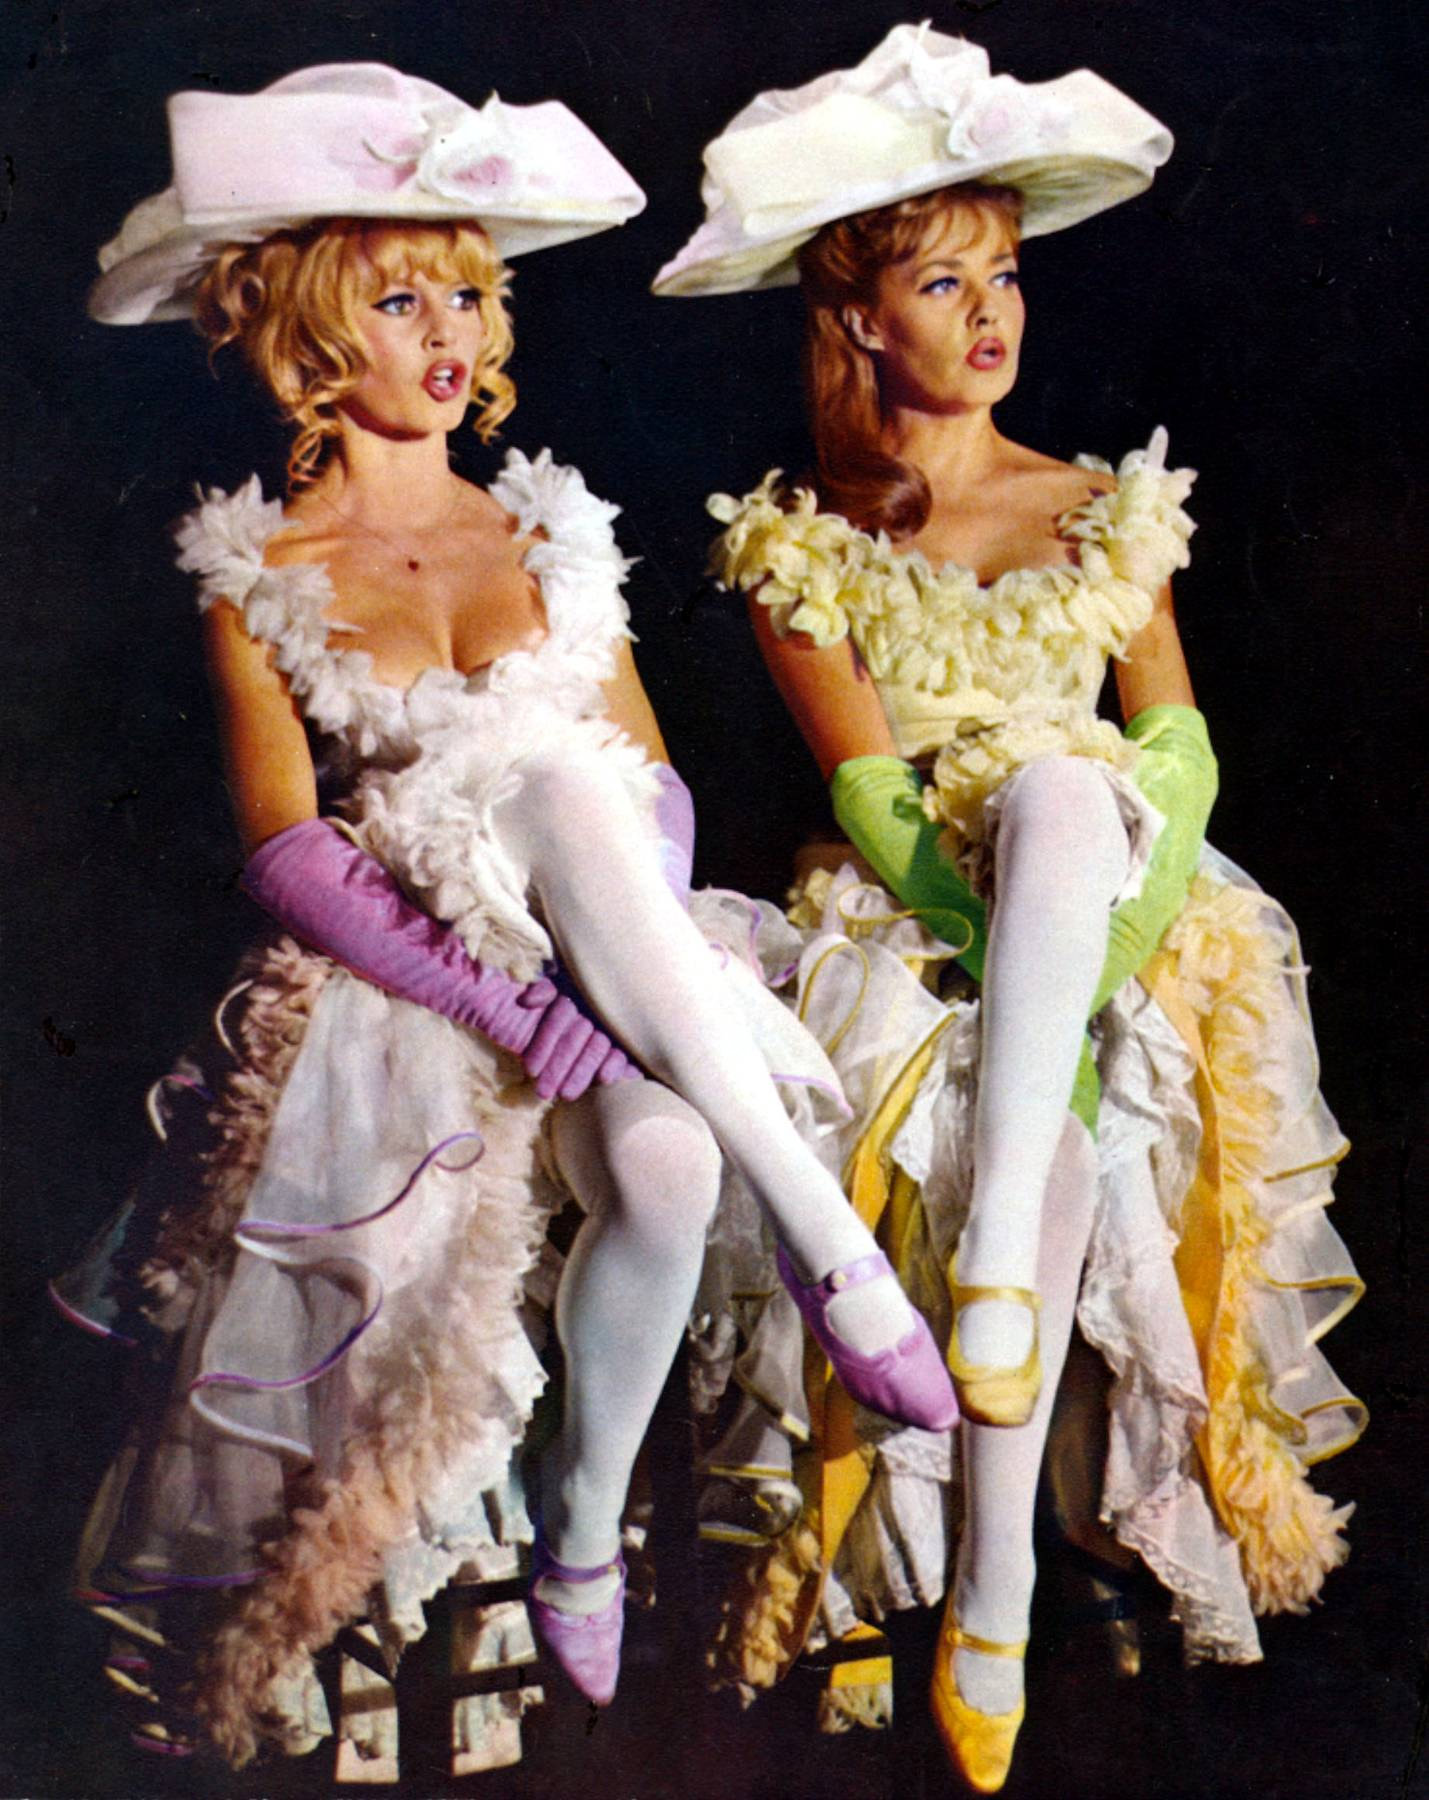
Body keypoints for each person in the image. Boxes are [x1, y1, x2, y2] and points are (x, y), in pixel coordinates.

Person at [54, 61, 958, 1773]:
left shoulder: (548, 526)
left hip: (612, 950)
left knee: (627, 1006)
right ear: (312, 340)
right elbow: (289, 852)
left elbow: (654, 789)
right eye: (404, 302)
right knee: (572, 902)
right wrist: (510, 1005)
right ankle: (809, 1271)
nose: (454, 333)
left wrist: (603, 968)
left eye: (469, 295)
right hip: (409, 986)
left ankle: (591, 1514)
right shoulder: (258, 571)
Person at [655, 25, 1364, 1792]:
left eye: (1007, 277)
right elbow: (869, 791)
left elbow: (1175, 750)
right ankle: (988, 1591)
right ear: (856, 322)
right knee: (1010, 1115)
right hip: (919, 918)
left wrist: (1112, 934)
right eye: (944, 283)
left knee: (1065, 789)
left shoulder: (1100, 505)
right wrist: (1003, 949)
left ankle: (995, 1460)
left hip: (1116, 898)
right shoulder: (802, 533)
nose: (991, 315)